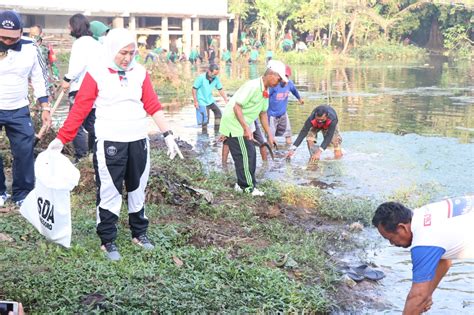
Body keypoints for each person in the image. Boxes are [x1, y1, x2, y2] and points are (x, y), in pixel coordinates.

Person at [47, 28, 183, 261]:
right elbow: (80, 109)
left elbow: (152, 105)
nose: (128, 58)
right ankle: (107, 240)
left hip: (138, 139)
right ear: (111, 50)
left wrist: (168, 134)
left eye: (132, 53)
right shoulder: (96, 73)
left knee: (137, 187)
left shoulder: (140, 72)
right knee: (110, 190)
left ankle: (139, 234)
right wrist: (61, 139)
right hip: (110, 140)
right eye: (123, 53)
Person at [372, 196, 474, 314]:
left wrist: (422, 297)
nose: (391, 243)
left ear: (401, 228)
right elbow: (444, 261)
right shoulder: (423, 214)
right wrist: (427, 294)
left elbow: (417, 296)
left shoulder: (424, 241)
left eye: (390, 238)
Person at [0, 10, 52, 207]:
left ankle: (22, 193)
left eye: (13, 38)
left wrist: (45, 106)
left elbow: (39, 77)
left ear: (21, 32)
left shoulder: (31, 48)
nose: (7, 42)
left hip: (19, 108)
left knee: (24, 150)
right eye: (3, 37)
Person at [219, 60, 287, 196]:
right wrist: (246, 128)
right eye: (279, 79)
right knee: (244, 156)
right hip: (234, 123)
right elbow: (236, 107)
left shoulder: (265, 91)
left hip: (243, 123)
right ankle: (247, 188)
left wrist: (270, 135)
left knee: (250, 153)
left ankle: (241, 184)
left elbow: (263, 114)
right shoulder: (253, 86)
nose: (279, 83)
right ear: (271, 74)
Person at [62, 14, 102, 162]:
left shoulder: (80, 43)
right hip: (96, 89)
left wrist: (67, 79)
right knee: (92, 123)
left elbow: (77, 66)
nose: (68, 28)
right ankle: (94, 153)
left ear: (75, 26)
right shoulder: (96, 43)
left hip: (80, 89)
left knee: (76, 124)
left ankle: (81, 156)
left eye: (69, 25)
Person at [268, 65, 304, 145]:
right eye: (284, 76)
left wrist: (299, 99)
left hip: (283, 114)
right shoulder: (274, 85)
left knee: (288, 135)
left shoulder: (290, 84)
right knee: (271, 137)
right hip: (272, 115)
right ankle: (271, 154)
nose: (285, 79)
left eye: (287, 76)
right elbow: (265, 97)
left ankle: (288, 151)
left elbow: (294, 91)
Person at [192, 63, 228, 133]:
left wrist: (226, 99)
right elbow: (194, 89)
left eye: (216, 74)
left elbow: (220, 89)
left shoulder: (216, 79)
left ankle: (216, 131)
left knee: (219, 113)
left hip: (210, 100)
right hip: (202, 101)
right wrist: (195, 101)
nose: (215, 76)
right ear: (209, 71)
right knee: (205, 119)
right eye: (214, 74)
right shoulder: (201, 78)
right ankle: (204, 136)